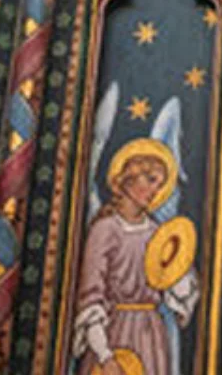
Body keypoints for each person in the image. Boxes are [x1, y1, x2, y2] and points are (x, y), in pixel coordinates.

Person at [72, 139, 199, 375]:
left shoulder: (156, 233)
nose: (155, 191)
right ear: (128, 177)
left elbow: (176, 290)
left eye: (159, 185)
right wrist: (104, 355)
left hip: (151, 337)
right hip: (114, 332)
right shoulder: (105, 230)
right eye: (150, 180)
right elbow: (91, 298)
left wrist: (180, 278)